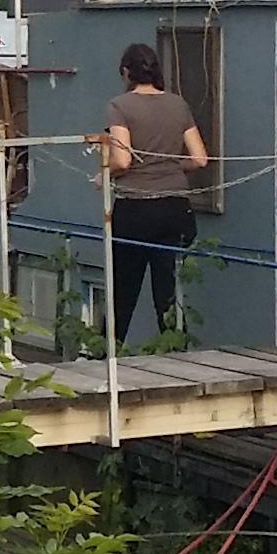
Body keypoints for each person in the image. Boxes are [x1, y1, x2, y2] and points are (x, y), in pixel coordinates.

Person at [101, 41, 209, 346]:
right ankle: (176, 350)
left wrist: (103, 172)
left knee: (123, 290)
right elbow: (200, 159)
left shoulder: (119, 106)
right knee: (168, 290)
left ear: (125, 72)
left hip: (135, 208)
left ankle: (106, 354)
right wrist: (170, 166)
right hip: (176, 208)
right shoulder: (178, 105)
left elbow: (122, 159)